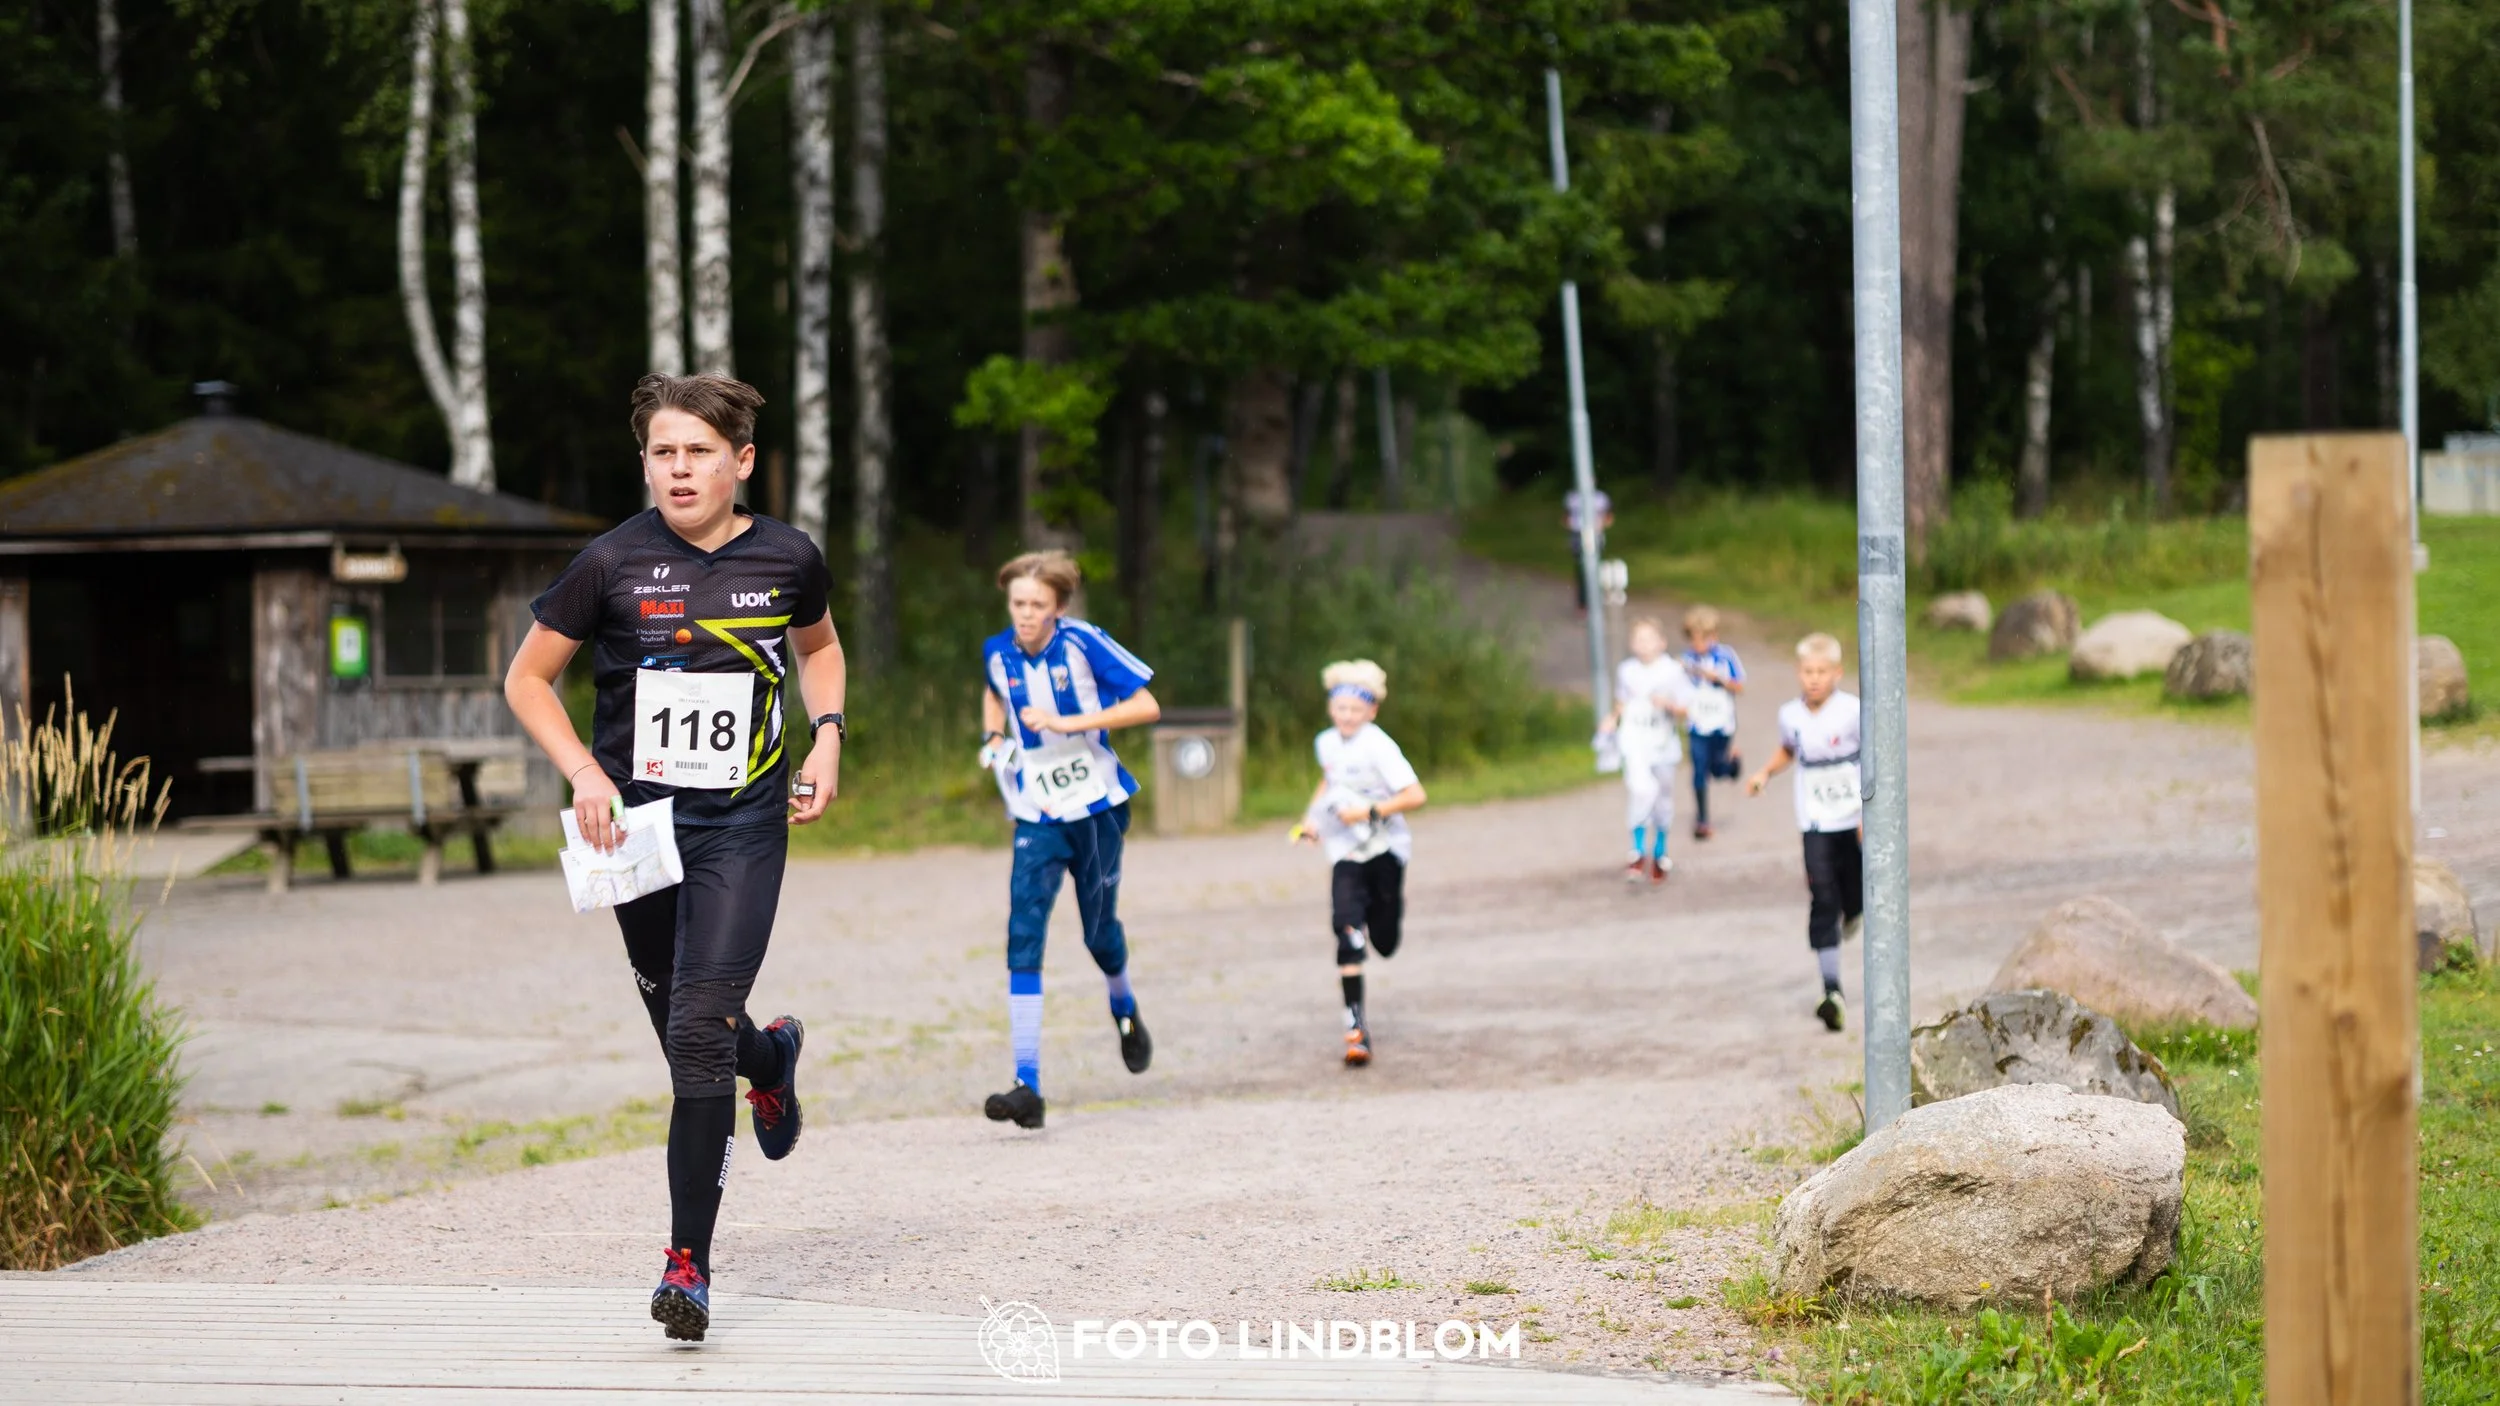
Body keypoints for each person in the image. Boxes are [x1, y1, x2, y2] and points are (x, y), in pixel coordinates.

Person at [505, 373, 846, 1343]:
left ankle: (686, 1265)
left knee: (697, 1025)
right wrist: (581, 770)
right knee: (682, 1023)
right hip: (634, 828)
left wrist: (826, 735)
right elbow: (527, 678)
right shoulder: (609, 560)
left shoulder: (787, 554)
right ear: (645, 461)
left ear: (740, 460)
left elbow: (820, 648)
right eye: (663, 451)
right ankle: (770, 1054)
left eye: (698, 451)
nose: (679, 468)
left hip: (742, 819)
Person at [974, 550, 1160, 1130]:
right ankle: (1027, 1084)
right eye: (1017, 604)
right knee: (1023, 933)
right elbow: (994, 691)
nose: (1025, 615)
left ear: (1058, 607)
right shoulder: (998, 651)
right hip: (1036, 811)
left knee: (1099, 932)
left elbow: (1148, 705)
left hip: (1097, 807)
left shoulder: (1084, 643)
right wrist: (993, 735)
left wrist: (1069, 725)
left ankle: (1124, 1006)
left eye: (1036, 605)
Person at [1291, 660, 1426, 1065]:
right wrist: (1311, 821)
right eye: (1340, 708)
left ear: (1372, 711)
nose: (1346, 716)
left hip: (1386, 850)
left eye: (1355, 709)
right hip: (1345, 851)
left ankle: (1386, 915)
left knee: (1383, 941)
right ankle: (1356, 1030)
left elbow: (1416, 795)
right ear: (1331, 709)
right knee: (1346, 930)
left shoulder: (1379, 746)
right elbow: (1329, 781)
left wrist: (1370, 811)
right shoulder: (1326, 742)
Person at [1743, 632, 1863, 1033]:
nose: (1813, 679)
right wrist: (1765, 773)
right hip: (1814, 821)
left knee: (1855, 897)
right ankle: (1832, 991)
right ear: (1798, 673)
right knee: (1823, 898)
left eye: (1821, 672)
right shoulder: (1790, 715)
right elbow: (1789, 750)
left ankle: (1854, 912)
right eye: (1807, 672)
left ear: (1837, 673)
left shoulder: (1853, 712)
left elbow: (1874, 759)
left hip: (1852, 820)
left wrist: (1870, 813)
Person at [1596, 617, 1696, 885]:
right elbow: (1623, 701)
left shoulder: (1671, 671)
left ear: (1661, 642)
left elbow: (1687, 707)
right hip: (1636, 741)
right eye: (1638, 639)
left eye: (1649, 638)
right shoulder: (1627, 670)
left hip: (1662, 745)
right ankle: (1637, 850)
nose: (1643, 644)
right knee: (1639, 791)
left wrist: (1669, 706)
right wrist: (1612, 719)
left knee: (1662, 798)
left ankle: (1660, 851)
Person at [1679, 605, 1747, 840]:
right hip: (1697, 724)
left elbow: (1739, 685)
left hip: (1721, 723)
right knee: (1698, 769)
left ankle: (1732, 766)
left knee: (1717, 769)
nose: (1699, 644)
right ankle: (1702, 820)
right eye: (1694, 639)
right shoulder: (1686, 660)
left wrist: (1718, 679)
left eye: (1704, 638)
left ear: (1713, 636)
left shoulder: (1725, 656)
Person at [1562, 485, 1614, 613]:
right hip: (1578, 536)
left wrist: (1600, 526)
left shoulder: (1601, 498)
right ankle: (1583, 603)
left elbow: (1609, 517)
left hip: (1595, 536)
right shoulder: (1572, 498)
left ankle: (1596, 600)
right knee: (1581, 570)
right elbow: (1565, 517)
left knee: (1595, 568)